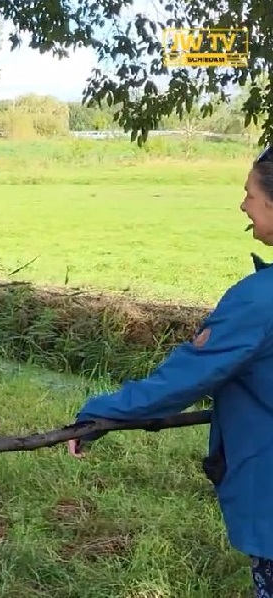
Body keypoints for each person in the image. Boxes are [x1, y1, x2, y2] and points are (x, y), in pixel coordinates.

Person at [67, 144, 273, 597]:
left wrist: (101, 413)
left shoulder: (258, 300)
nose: (242, 204)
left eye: (249, 194)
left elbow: (183, 378)